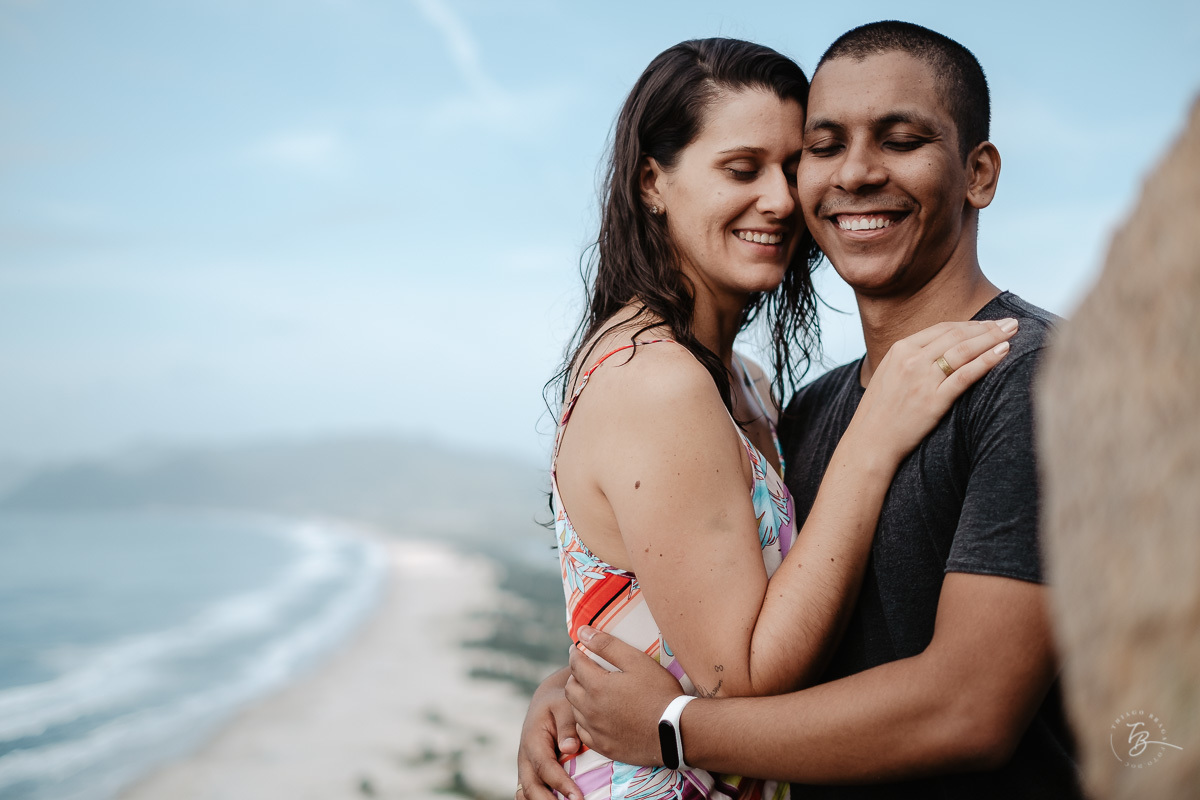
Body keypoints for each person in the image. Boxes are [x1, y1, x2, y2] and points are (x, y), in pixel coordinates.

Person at [521, 22, 1084, 800]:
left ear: (977, 173)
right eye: (823, 148)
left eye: (901, 140)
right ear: (653, 182)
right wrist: (576, 689)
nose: (837, 179)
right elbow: (731, 621)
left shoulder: (1039, 383)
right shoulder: (814, 409)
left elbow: (970, 709)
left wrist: (670, 726)